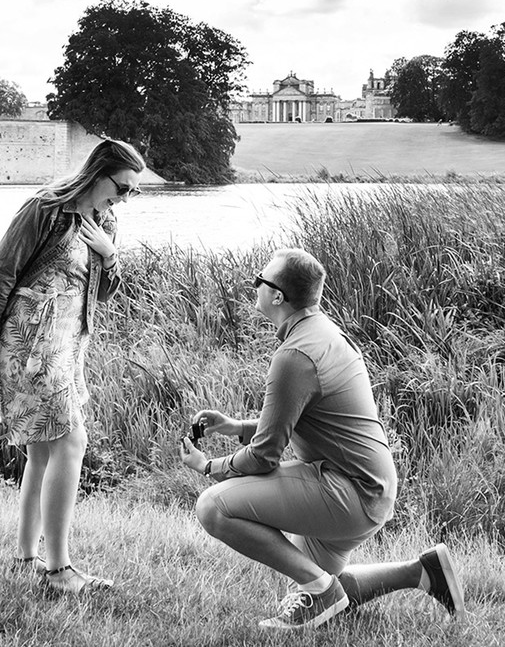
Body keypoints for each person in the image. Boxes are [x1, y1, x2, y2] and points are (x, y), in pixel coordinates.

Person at [180, 248, 464, 629]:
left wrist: (208, 466)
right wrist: (236, 427)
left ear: (277, 296)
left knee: (213, 507)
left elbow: (264, 456)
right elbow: (301, 420)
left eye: (258, 281)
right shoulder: (323, 332)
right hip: (370, 489)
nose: (255, 287)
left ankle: (322, 590)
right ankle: (422, 572)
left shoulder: (294, 355)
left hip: (349, 491)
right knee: (312, 585)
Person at [0, 138, 145, 595]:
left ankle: (28, 558)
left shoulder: (106, 220)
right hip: (27, 340)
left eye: (132, 192)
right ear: (97, 172)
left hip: (68, 346)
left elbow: (102, 295)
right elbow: (0, 273)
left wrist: (109, 254)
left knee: (43, 450)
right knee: (71, 441)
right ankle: (59, 571)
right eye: (122, 187)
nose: (125, 198)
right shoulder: (46, 209)